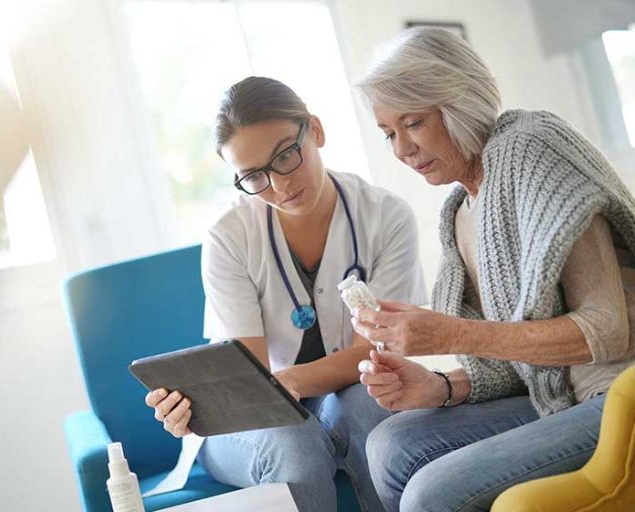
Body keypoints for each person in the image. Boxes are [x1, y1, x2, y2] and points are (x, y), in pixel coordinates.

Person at [349, 27, 635, 512]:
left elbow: (608, 332)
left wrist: (452, 335)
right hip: (556, 394)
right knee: (389, 445)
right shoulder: (460, 211)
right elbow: (517, 355)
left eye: (414, 123)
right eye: (388, 134)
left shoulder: (532, 150)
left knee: (429, 494)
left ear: (459, 104)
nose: (401, 150)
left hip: (617, 390)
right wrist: (440, 385)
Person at [144, 76, 427, 512]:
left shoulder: (386, 217)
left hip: (346, 390)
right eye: (254, 176)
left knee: (371, 415)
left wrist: (289, 382)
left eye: (285, 157)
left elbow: (374, 353)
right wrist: (188, 406)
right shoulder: (229, 238)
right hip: (253, 420)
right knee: (294, 441)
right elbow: (249, 382)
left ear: (314, 130)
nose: (278, 186)